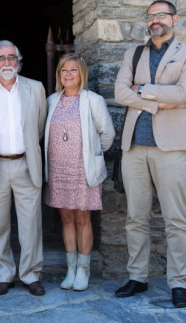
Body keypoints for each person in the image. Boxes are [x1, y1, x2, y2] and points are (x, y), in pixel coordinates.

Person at [113, 0, 186, 308]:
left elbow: (181, 95)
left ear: (174, 19)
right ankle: (137, 277)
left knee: (175, 219)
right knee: (135, 218)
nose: (155, 21)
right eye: (151, 16)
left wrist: (141, 91)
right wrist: (155, 98)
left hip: (173, 147)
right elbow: (119, 93)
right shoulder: (134, 53)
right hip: (135, 147)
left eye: (161, 15)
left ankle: (178, 282)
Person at [0, 40, 48, 296]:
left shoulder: (35, 88)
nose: (6, 63)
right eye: (1, 58)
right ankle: (3, 274)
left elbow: (39, 126)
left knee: (30, 225)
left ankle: (31, 274)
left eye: (11, 57)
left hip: (26, 163)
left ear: (19, 62)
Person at [44, 54, 115, 291]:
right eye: (63, 70)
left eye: (73, 70)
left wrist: (94, 154)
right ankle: (71, 268)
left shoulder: (93, 100)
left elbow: (108, 134)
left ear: (81, 73)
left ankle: (84, 270)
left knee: (83, 218)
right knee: (65, 217)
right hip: (58, 168)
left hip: (82, 169)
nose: (67, 75)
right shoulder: (52, 100)